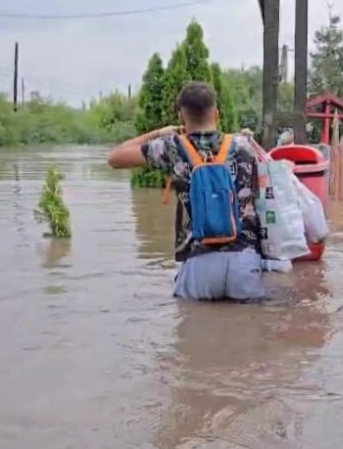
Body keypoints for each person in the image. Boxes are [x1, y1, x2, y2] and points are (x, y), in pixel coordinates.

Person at [107, 81, 264, 302]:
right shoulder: (244, 145)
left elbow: (115, 158)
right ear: (216, 114)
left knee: (190, 320)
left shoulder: (171, 147)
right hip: (245, 262)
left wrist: (159, 133)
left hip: (199, 263)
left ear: (181, 117)